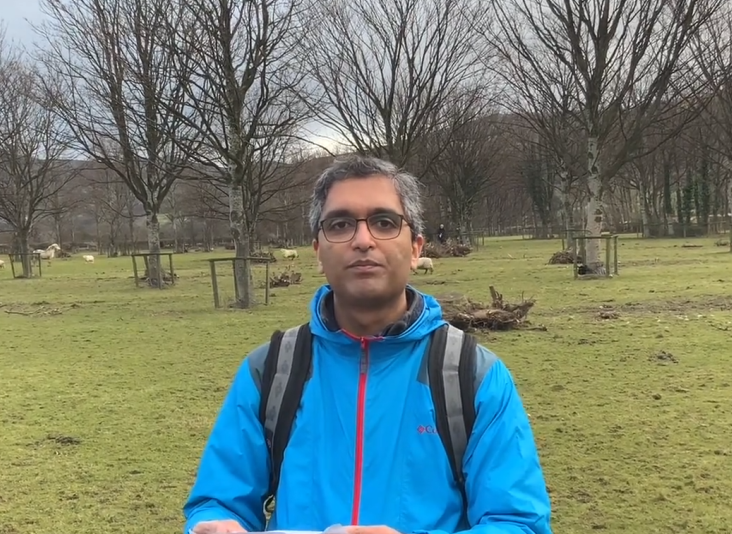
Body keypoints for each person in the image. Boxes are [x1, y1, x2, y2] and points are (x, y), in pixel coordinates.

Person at [183, 156, 552, 534]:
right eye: (341, 224)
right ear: (318, 251)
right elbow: (219, 499)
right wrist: (214, 522)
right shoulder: (271, 371)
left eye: (384, 222)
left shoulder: (471, 375)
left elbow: (517, 522)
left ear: (415, 248)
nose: (363, 240)